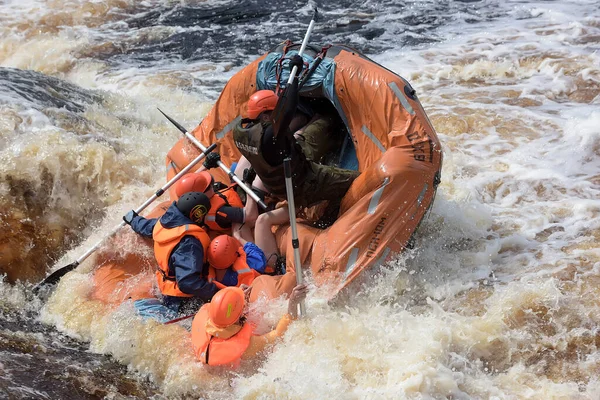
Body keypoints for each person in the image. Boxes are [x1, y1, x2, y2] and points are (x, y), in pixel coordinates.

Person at [123, 191, 217, 314]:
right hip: (182, 299)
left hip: (164, 288)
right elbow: (187, 282)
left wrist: (133, 219)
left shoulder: (163, 223)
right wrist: (215, 292)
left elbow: (144, 226)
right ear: (197, 215)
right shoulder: (190, 243)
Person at [191, 284, 308, 367]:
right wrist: (292, 304)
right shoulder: (246, 347)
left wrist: (237, 297)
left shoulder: (203, 316)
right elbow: (278, 336)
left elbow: (225, 310)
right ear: (239, 316)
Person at [174, 170, 258, 243]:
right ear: (201, 196)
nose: (211, 185)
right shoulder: (220, 211)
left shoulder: (193, 204)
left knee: (238, 166)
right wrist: (248, 185)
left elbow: (191, 183)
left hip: (236, 193)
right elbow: (251, 215)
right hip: (250, 203)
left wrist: (205, 165)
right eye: (208, 186)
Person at [205, 234, 277, 289]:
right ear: (234, 257)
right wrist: (239, 238)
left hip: (241, 291)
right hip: (266, 277)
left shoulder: (214, 277)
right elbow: (259, 258)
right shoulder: (246, 265)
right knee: (262, 221)